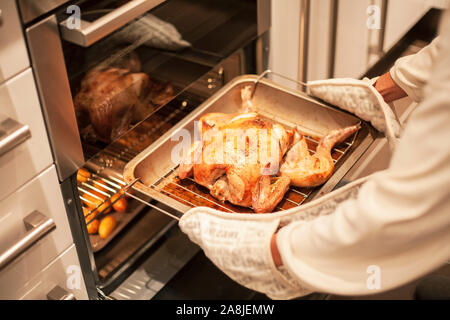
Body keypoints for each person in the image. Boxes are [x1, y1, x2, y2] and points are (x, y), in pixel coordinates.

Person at [178, 8, 450, 299]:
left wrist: (271, 250)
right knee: (302, 172)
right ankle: (320, 146)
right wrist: (386, 86)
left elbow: (412, 210)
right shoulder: (282, 140)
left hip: (230, 148)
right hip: (254, 151)